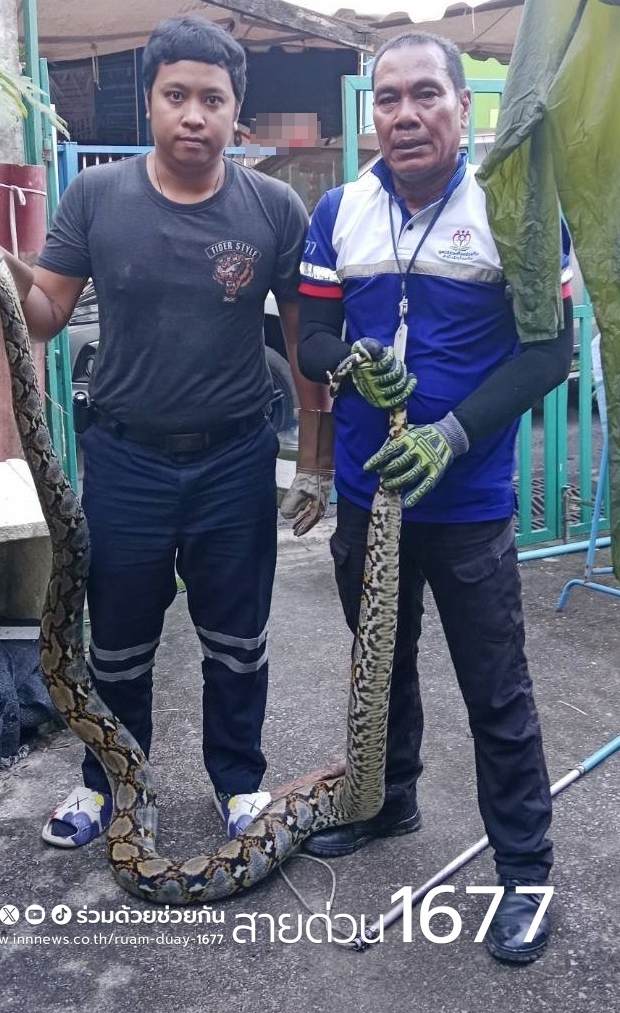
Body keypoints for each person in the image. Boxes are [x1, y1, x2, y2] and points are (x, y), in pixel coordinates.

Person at [0, 16, 309, 845]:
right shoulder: (97, 197)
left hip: (234, 460)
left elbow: (300, 342)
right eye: (176, 95)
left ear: (236, 111)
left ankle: (239, 782)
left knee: (237, 639)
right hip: (126, 460)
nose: (193, 114)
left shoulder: (273, 207)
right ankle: (108, 783)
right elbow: (46, 314)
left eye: (212, 99)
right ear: (149, 101)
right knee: (117, 641)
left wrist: (314, 463)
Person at [292, 32, 573, 964]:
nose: (405, 115)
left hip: (468, 502)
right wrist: (350, 360)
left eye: (425, 95)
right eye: (388, 99)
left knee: (496, 692)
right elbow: (311, 340)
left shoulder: (512, 211)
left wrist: (451, 434)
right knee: (382, 664)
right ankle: (389, 800)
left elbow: (549, 352)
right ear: (371, 112)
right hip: (367, 494)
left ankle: (525, 873)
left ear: (462, 105)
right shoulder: (339, 209)